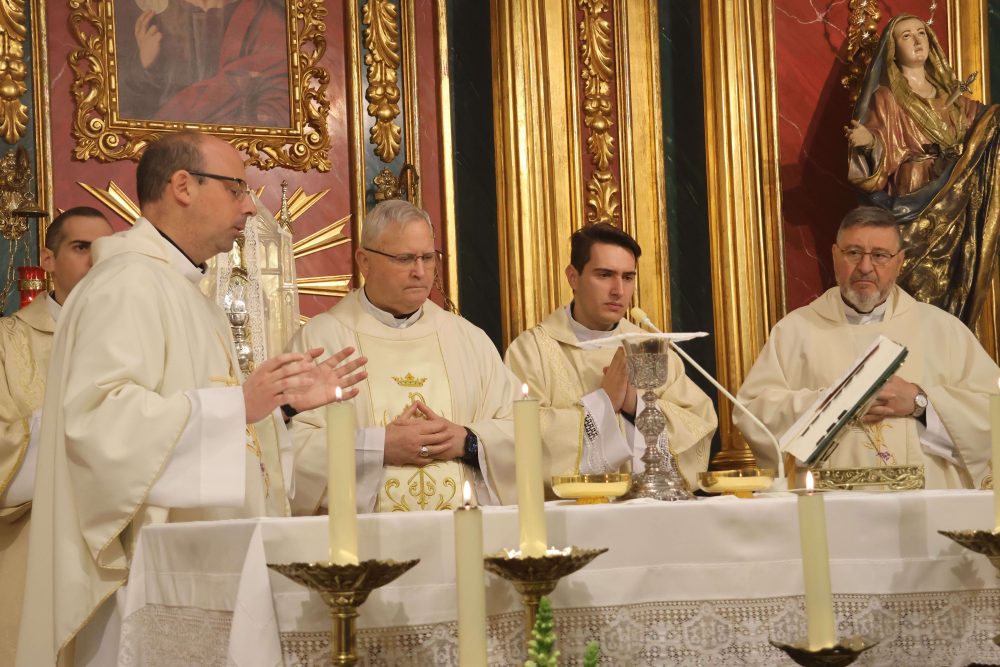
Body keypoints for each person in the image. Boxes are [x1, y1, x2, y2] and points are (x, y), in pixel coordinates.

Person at [15, 131, 366, 666]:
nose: (250, 207)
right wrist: (239, 406)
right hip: (146, 584)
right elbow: (97, 424)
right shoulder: (126, 284)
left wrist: (280, 407)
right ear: (183, 186)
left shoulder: (186, 293)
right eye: (236, 189)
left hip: (200, 574)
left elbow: (215, 424)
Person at [736, 206, 999, 489]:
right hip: (829, 503)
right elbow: (753, 415)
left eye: (879, 255)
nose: (865, 267)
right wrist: (836, 402)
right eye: (853, 253)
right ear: (835, 256)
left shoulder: (942, 330)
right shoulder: (794, 331)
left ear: (900, 261)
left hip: (923, 504)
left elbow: (992, 413)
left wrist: (919, 402)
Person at [286, 200, 518, 513]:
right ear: (364, 261)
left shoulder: (468, 340)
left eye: (427, 258)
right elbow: (288, 448)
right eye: (404, 259)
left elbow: (519, 428)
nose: (420, 272)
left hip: (461, 531)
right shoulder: (322, 340)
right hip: (364, 539)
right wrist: (377, 447)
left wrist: (468, 441)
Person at [504, 223, 717, 492]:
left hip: (648, 508)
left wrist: (635, 406)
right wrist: (603, 403)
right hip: (568, 512)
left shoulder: (650, 347)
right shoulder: (531, 351)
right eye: (604, 275)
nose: (618, 290)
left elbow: (699, 425)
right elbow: (514, 436)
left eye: (628, 277)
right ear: (573, 277)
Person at [0, 207, 113, 665]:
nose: (95, 261)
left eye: (105, 250)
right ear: (47, 260)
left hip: (115, 551)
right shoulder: (9, 341)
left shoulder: (133, 339)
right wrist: (73, 423)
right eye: (81, 248)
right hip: (33, 548)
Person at [846, 13, 1000, 326]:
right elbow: (881, 147)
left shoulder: (950, 95)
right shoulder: (887, 97)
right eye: (907, 36)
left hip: (957, 199)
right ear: (893, 49)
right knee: (915, 285)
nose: (917, 41)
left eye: (921, 33)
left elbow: (983, 129)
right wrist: (869, 143)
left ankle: (948, 342)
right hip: (912, 195)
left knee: (953, 281)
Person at [116, 0, 290, 126]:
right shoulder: (154, 19)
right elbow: (123, 109)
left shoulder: (264, 14)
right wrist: (143, 64)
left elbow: (279, 99)